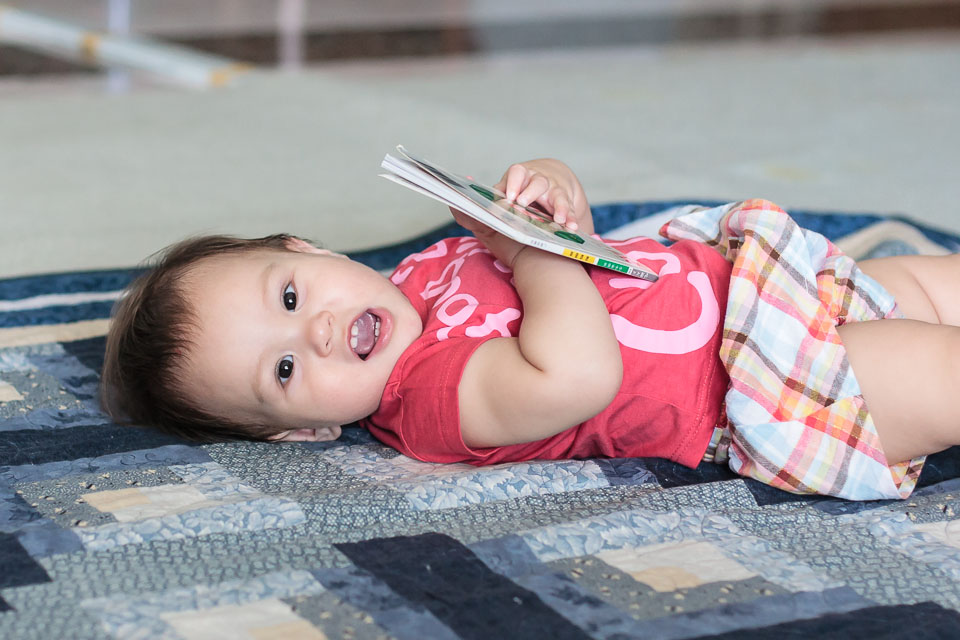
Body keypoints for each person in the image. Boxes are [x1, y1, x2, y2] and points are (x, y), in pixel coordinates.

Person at [100, 158, 960, 501]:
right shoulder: (429, 400)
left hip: (771, 283)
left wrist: (556, 207)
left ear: (308, 249)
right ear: (308, 430)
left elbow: (589, 261)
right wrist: (528, 252)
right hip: (770, 381)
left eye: (291, 297)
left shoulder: (417, 273)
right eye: (284, 372)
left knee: (934, 282)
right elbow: (577, 374)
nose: (316, 333)